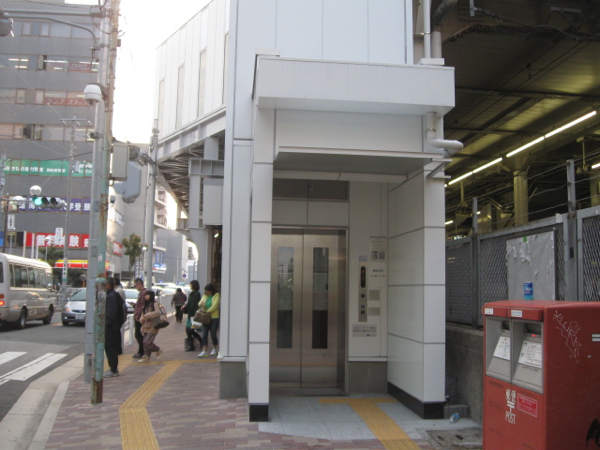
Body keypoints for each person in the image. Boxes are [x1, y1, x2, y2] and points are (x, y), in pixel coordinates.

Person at [104, 277, 125, 378]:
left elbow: (111, 313)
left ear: (108, 285)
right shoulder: (114, 294)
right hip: (115, 326)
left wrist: (106, 323)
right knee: (111, 348)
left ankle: (113, 369)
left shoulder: (111, 296)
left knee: (110, 348)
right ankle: (113, 368)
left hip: (111, 327)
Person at [138, 290, 163, 362]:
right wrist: (141, 319)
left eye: (148, 295)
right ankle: (146, 356)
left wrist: (146, 316)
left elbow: (157, 313)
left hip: (153, 326)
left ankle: (157, 350)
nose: (146, 296)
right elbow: (143, 316)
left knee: (147, 342)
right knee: (144, 342)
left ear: (151, 296)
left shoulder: (154, 304)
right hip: (145, 326)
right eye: (145, 295)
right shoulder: (145, 305)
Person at [197, 283, 220, 358]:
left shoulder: (216, 295)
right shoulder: (205, 295)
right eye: (206, 291)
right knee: (204, 334)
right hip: (205, 318)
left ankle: (215, 348)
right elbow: (199, 303)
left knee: (213, 334)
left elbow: (214, 306)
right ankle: (204, 351)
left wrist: (206, 312)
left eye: (208, 291)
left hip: (214, 317)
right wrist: (201, 304)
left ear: (212, 290)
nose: (207, 292)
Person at [184, 280, 203, 352]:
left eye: (191, 284)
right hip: (190, 315)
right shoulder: (191, 293)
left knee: (191, 330)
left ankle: (201, 341)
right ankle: (191, 345)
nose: (190, 286)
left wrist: (195, 314)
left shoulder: (197, 294)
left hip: (194, 314)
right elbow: (189, 303)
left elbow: (196, 305)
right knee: (188, 330)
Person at [132, 278, 148, 359]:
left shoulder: (143, 293)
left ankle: (141, 352)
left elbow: (142, 306)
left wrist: (137, 316)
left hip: (140, 317)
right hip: (141, 317)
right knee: (140, 335)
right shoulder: (143, 293)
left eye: (135, 286)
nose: (136, 287)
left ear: (139, 284)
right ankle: (143, 351)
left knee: (138, 335)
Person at [114, 277, 127, 355]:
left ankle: (118, 349)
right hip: (120, 315)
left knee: (116, 334)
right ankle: (118, 349)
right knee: (117, 333)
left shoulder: (117, 291)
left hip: (117, 316)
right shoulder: (119, 290)